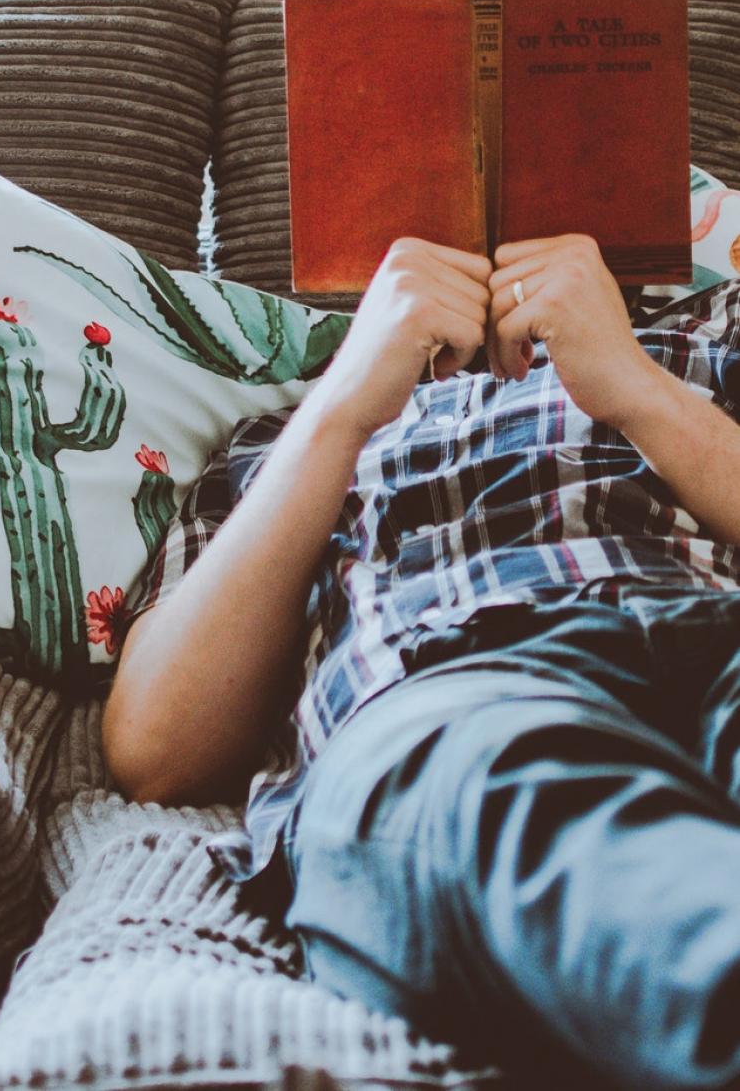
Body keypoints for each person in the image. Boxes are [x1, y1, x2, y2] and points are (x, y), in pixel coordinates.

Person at [103, 233, 740, 1091]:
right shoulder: (274, 441)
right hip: (451, 691)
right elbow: (157, 750)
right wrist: (341, 407)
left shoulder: (709, 336)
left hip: (713, 628)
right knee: (521, 792)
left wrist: (636, 387)